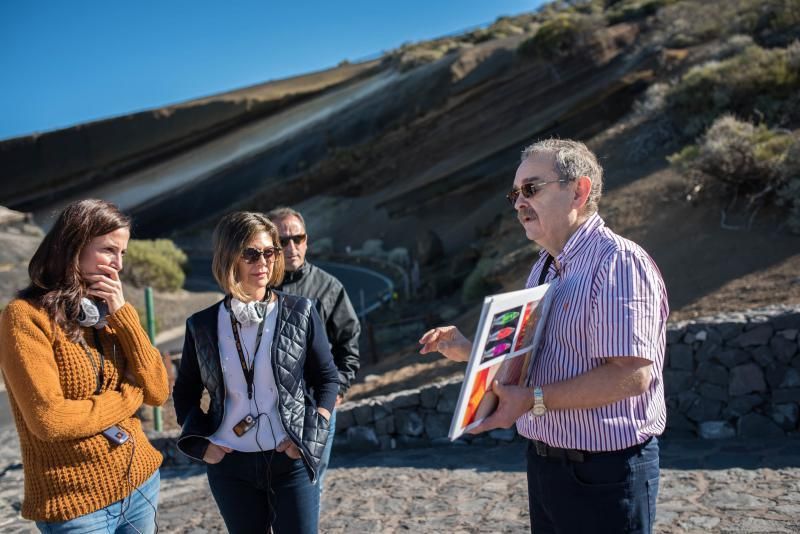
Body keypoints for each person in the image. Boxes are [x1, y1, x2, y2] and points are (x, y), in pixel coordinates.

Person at [419, 139, 668, 533]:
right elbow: (537, 355)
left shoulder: (618, 262)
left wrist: (531, 401)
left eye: (531, 189)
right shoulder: (544, 268)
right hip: (547, 466)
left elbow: (632, 375)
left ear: (579, 191)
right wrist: (468, 350)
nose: (519, 203)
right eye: (515, 193)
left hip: (605, 473)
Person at [0, 199, 169, 533]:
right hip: (74, 506)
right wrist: (126, 398)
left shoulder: (109, 312)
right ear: (74, 245)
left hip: (139, 483)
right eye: (109, 250)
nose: (118, 264)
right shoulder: (24, 318)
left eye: (123, 253)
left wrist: (123, 315)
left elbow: (159, 390)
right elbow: (50, 420)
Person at [172, 211, 339, 534]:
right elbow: (185, 392)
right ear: (229, 257)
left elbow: (327, 379)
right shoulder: (202, 325)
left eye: (269, 252)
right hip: (231, 467)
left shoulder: (300, 312)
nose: (262, 261)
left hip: (289, 459)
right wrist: (204, 444)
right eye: (251, 253)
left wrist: (311, 432)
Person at [266, 206, 361, 490]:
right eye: (282, 241)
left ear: (307, 241)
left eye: (298, 238)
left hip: (315, 410)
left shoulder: (329, 288)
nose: (292, 247)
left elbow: (349, 342)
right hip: (266, 412)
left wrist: (337, 392)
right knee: (267, 495)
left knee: (310, 489)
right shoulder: (257, 288)